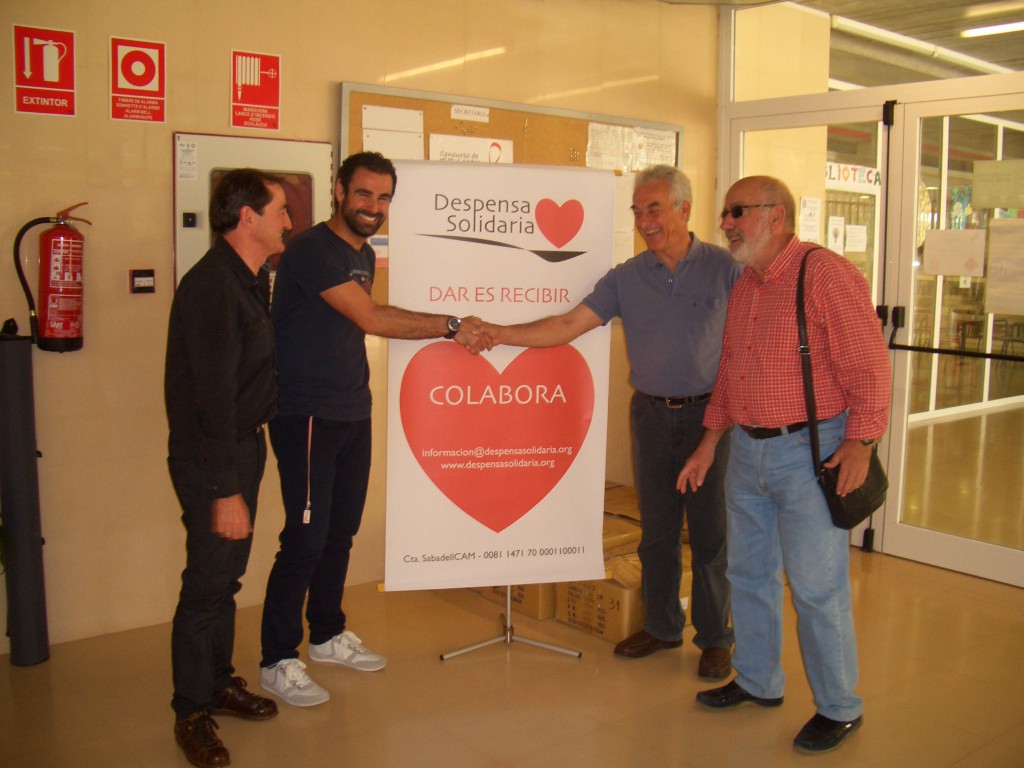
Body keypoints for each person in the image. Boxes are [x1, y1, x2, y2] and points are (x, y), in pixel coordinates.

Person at [482, 165, 741, 678]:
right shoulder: (626, 277)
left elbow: (751, 343)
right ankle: (664, 626)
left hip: (712, 416)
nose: (645, 221)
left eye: (655, 209)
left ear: (684, 210)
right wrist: (499, 333)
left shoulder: (724, 268)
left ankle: (715, 637)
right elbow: (565, 325)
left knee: (711, 534)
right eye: (638, 211)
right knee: (658, 530)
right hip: (649, 414)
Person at [259, 151, 490, 706]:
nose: (374, 207)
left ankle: (329, 633)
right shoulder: (311, 250)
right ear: (339, 191)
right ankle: (276, 657)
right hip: (306, 414)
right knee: (306, 537)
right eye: (364, 194)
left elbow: (362, 314)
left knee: (340, 532)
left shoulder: (359, 251)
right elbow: (369, 317)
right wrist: (453, 326)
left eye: (384, 197)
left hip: (350, 411)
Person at [677, 175, 891, 753]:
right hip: (746, 451)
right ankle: (758, 679)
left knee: (818, 588)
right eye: (725, 213)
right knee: (747, 574)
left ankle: (840, 707)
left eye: (736, 212)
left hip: (811, 452)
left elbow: (869, 365)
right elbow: (730, 376)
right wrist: (707, 445)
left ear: (777, 216)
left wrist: (862, 441)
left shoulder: (824, 274)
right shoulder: (747, 283)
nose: (725, 224)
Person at [165, 168, 292, 768]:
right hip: (216, 457)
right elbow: (210, 399)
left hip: (242, 447)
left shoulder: (248, 278)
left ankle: (218, 680)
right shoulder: (215, 286)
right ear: (249, 218)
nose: (288, 222)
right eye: (280, 211)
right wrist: (225, 491)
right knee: (207, 586)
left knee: (226, 580)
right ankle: (191, 712)